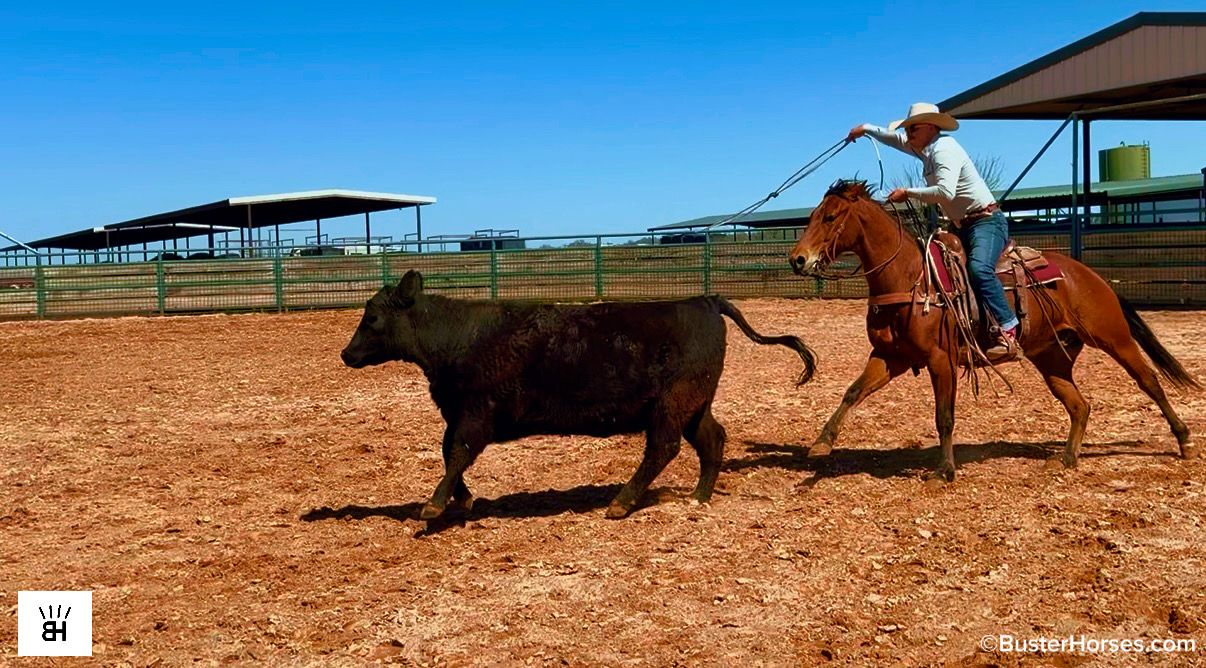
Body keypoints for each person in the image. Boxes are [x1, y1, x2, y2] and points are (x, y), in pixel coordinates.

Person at [847, 102, 1020, 362]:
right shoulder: (926, 149)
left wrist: (908, 192)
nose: (908, 133)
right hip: (962, 224)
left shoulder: (944, 150)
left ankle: (1007, 329)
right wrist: (866, 129)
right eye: (907, 128)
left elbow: (945, 192)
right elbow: (895, 139)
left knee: (979, 269)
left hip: (986, 222)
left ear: (930, 126)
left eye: (912, 128)